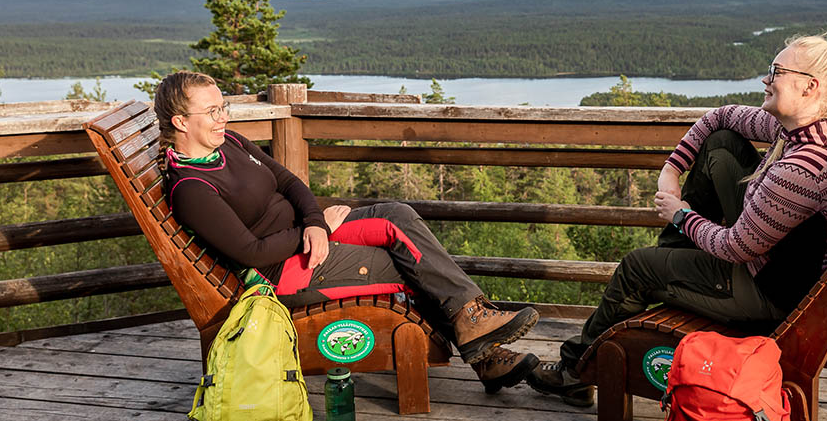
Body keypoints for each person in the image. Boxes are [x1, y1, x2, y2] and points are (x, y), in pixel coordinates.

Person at [527, 30, 827, 406]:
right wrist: (672, 169)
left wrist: (680, 216)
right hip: (779, 267)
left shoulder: (803, 169)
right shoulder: (810, 132)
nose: (766, 80)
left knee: (636, 268)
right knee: (721, 143)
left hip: (771, 296)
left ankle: (575, 372)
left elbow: (736, 247)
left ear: (809, 87)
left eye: (776, 71)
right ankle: (670, 264)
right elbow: (719, 117)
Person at [153, 71, 540, 394]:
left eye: (224, 107)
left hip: (308, 237)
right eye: (211, 111)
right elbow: (251, 252)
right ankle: (481, 345)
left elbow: (288, 182)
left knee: (396, 214)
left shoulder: (230, 143)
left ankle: (475, 325)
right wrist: (314, 230)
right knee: (402, 262)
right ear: (181, 122)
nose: (223, 117)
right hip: (285, 273)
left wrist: (317, 223)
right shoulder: (191, 189)